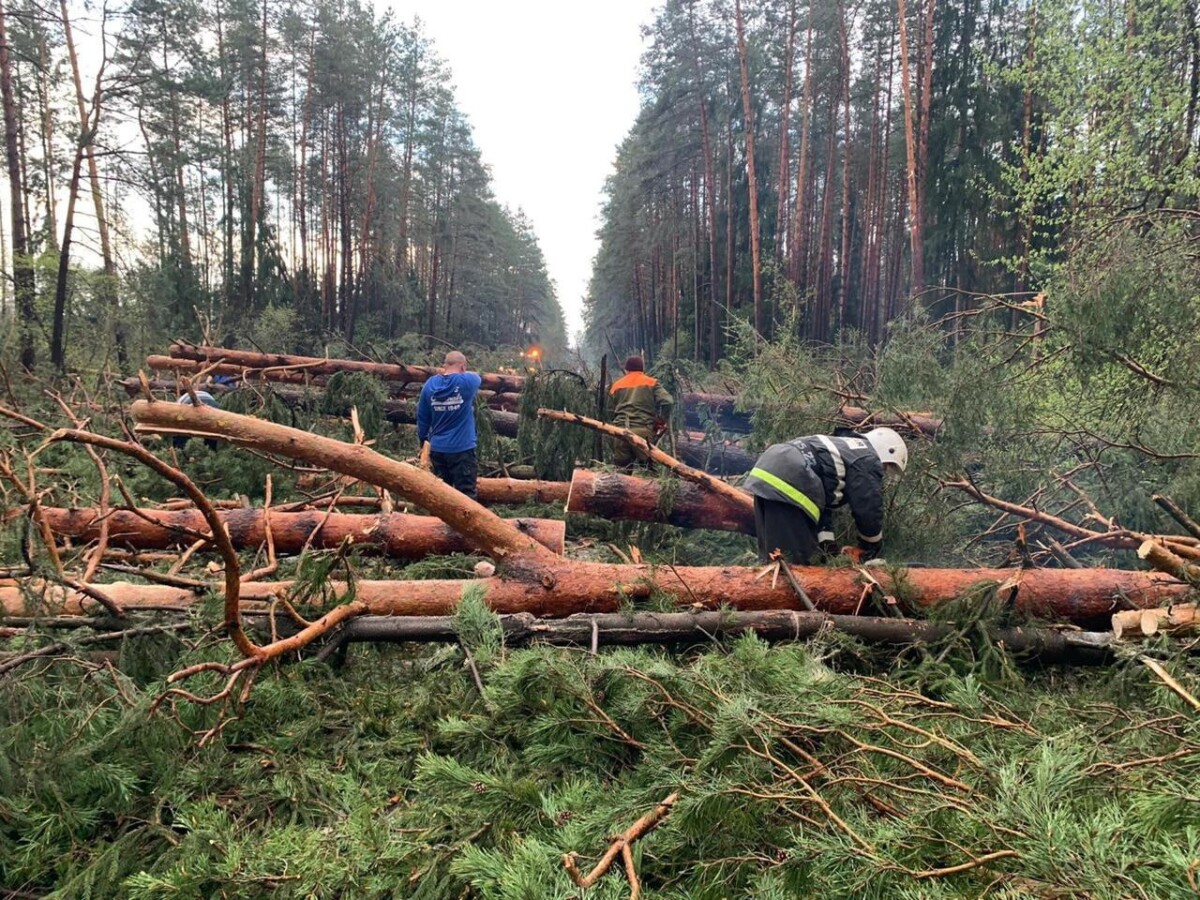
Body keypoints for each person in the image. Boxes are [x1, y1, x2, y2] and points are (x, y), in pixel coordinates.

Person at [744, 427, 908, 565]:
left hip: (767, 469)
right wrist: (871, 546)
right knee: (796, 565)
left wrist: (828, 548)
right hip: (793, 477)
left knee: (774, 559)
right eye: (886, 467)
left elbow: (823, 507)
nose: (883, 471)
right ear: (886, 451)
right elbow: (868, 505)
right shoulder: (867, 456)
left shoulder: (843, 448)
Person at [417, 350, 483, 498]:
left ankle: (439, 521)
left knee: (441, 497)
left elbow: (422, 417)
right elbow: (478, 378)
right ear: (463, 367)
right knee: (466, 497)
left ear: (444, 366)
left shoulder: (429, 385)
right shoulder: (467, 382)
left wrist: (423, 440)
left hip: (438, 450)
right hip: (462, 450)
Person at [608, 356, 674, 468]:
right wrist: (662, 419)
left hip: (620, 432)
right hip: (643, 433)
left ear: (626, 369)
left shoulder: (616, 385)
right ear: (642, 369)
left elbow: (609, 409)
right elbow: (668, 401)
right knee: (648, 473)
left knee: (621, 475)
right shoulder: (652, 382)